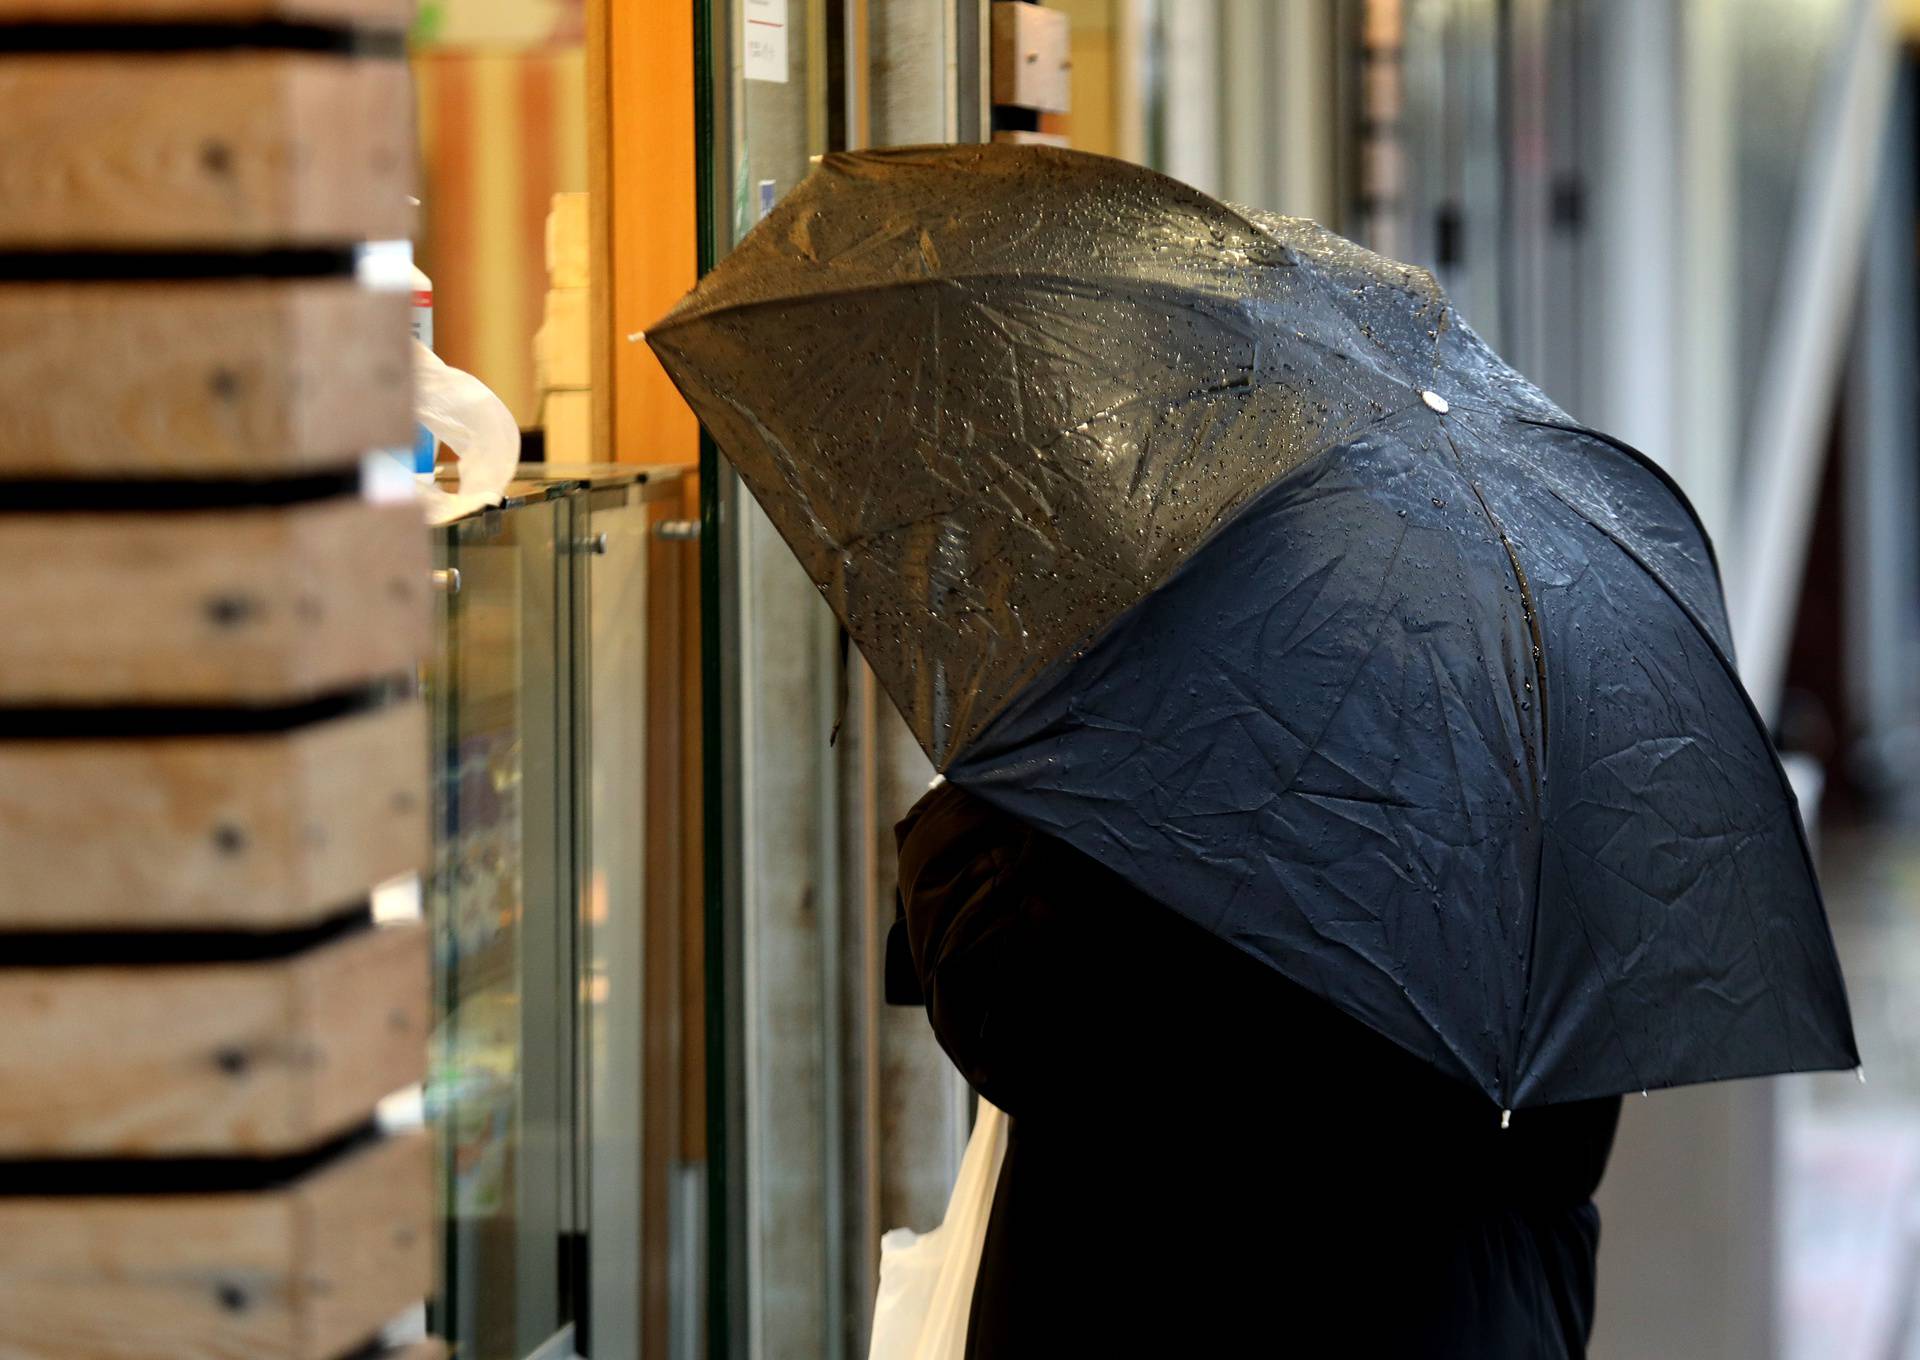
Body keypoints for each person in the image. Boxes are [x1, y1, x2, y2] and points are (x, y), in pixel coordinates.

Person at [895, 780, 1623, 1358]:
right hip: (1455, 1304)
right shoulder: (1536, 770)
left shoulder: (1171, 723)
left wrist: (982, 795)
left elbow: (996, 988)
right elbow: (1562, 1136)